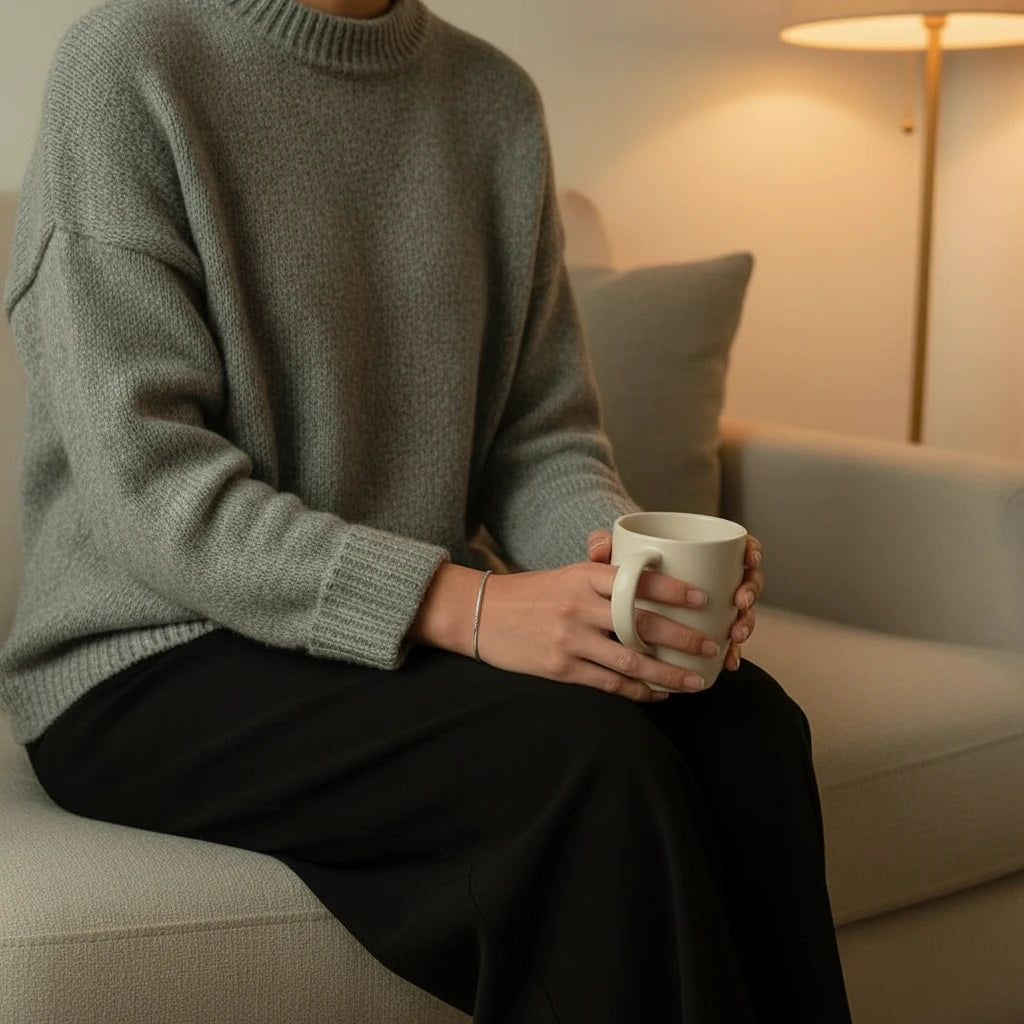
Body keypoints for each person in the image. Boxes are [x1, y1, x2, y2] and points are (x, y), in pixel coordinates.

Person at [0, 0, 852, 1019]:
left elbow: (539, 440)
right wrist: (478, 610)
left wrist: (632, 577)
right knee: (586, 764)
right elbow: (149, 485)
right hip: (150, 656)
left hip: (396, 635)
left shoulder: (492, 98)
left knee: (745, 724)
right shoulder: (129, 64)